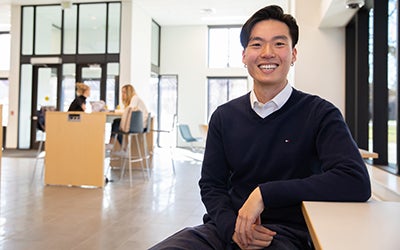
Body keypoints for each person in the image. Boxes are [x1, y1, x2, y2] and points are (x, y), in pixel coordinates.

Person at [149, 5, 371, 250]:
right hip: (224, 230)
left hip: (284, 235)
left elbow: (356, 181)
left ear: (293, 54)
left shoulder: (320, 113)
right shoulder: (224, 116)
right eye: (256, 44)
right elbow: (212, 185)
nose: (267, 53)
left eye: (279, 43)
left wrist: (264, 194)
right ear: (244, 56)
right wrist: (232, 228)